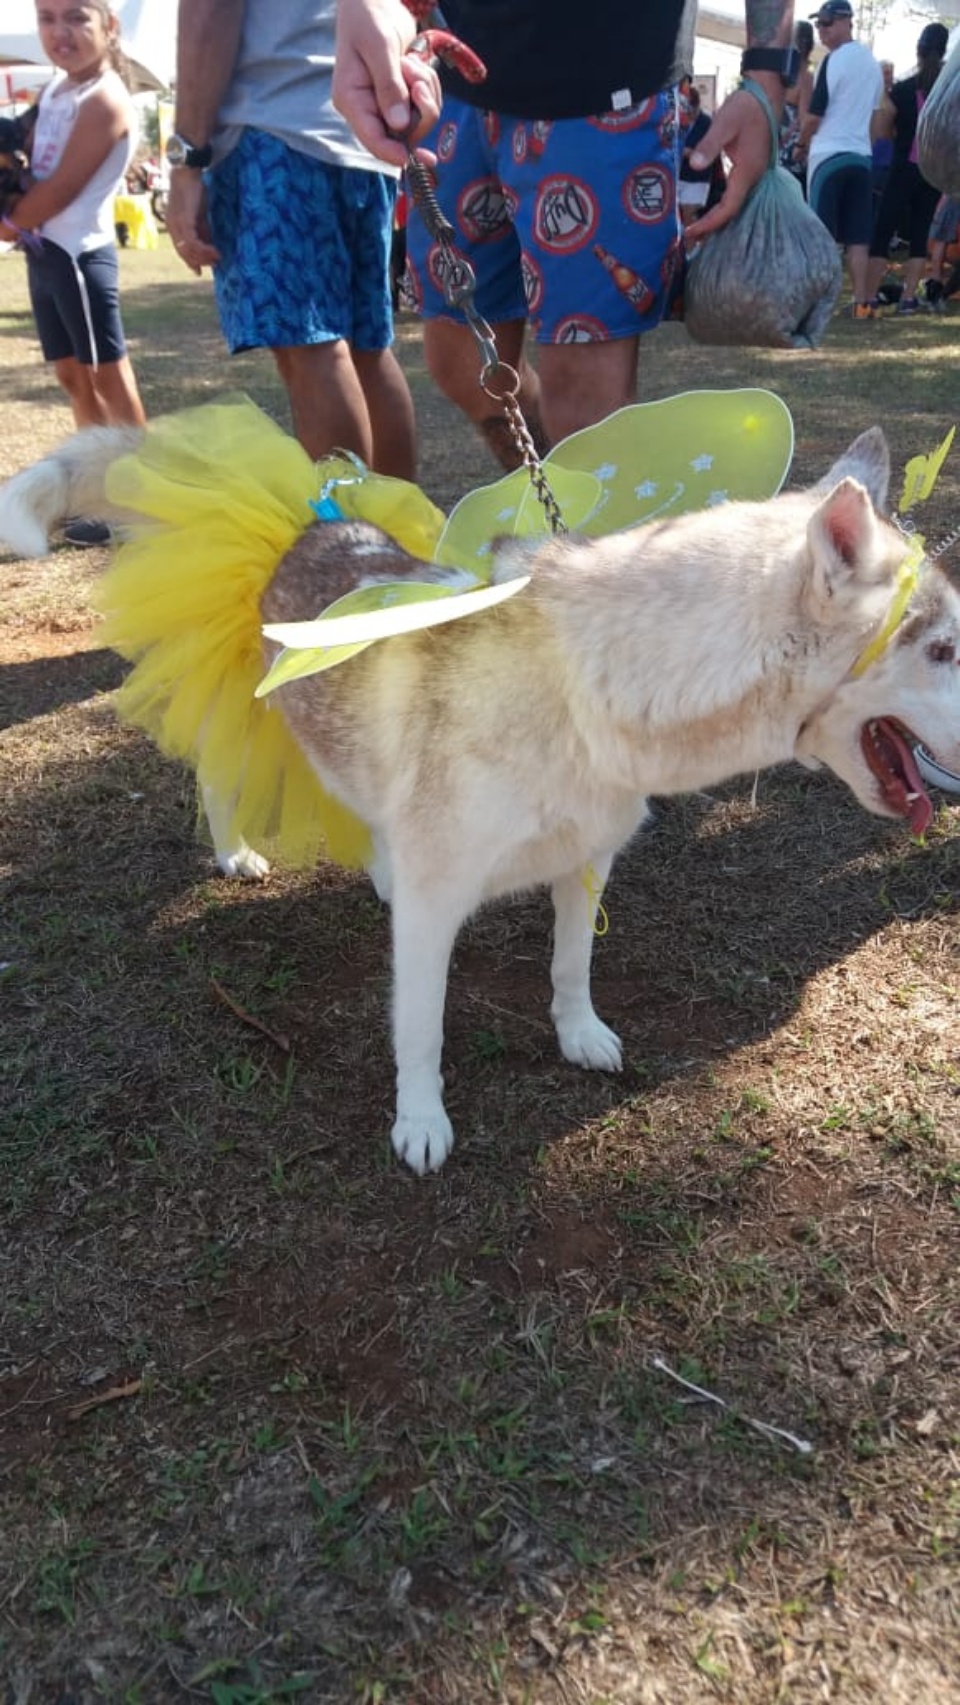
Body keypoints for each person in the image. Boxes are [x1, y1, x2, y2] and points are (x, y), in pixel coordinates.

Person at [334, 0, 800, 472]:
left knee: (586, 405)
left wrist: (765, 73)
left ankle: (579, 529)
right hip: (458, 73)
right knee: (466, 366)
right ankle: (556, 509)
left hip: (605, 80)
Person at [165, 0, 416, 479]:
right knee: (366, 350)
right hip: (357, 132)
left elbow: (210, 9)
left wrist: (188, 157)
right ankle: (400, 545)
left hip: (274, 129)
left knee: (312, 351)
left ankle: (352, 546)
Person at [0, 0, 146, 545]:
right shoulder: (54, 92)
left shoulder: (104, 97)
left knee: (107, 374)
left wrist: (8, 225)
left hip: (80, 255)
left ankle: (142, 496)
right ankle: (98, 492)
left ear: (109, 27)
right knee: (71, 375)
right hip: (46, 255)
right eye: (46, 17)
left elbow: (61, 186)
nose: (59, 31)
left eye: (76, 17)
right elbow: (27, 163)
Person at [799, 0, 884, 322]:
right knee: (858, 238)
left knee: (821, 238)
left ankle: (815, 306)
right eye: (819, 24)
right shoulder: (872, 63)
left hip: (828, 156)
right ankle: (863, 303)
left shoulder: (832, 61)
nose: (822, 30)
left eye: (827, 23)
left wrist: (801, 145)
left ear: (847, 22)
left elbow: (813, 117)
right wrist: (865, 147)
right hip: (860, 157)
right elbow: (878, 118)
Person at [866, 24, 949, 317]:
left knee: (882, 232)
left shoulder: (901, 90)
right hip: (933, 173)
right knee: (918, 236)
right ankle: (908, 300)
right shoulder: (948, 94)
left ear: (918, 48)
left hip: (902, 169)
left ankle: (867, 302)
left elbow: (880, 131)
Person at [779, 20, 815, 189]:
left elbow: (802, 117)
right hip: (786, 148)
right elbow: (803, 118)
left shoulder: (783, 73)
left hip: (779, 145)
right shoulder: (804, 77)